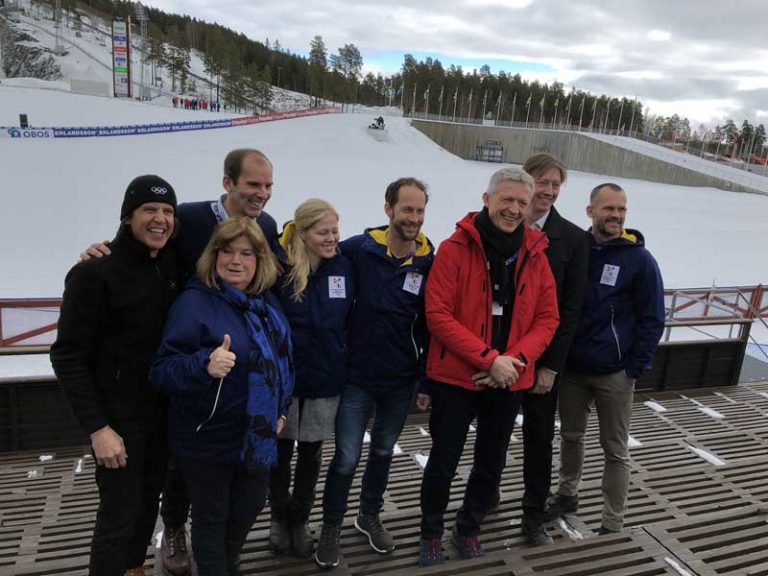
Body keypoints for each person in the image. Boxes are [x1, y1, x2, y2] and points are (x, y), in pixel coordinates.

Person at [81, 148, 279, 575]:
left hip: (182, 396)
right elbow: (70, 354)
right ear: (228, 183)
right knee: (124, 511)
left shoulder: (264, 228)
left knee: (152, 493)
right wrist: (101, 251)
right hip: (145, 389)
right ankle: (173, 531)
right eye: (252, 185)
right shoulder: (187, 221)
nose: (260, 194)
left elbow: (276, 280)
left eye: (267, 187)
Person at [417, 167, 559, 567]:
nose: (513, 209)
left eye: (521, 202)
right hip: (457, 376)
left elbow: (548, 318)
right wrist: (488, 359)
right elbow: (438, 315)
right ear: (487, 199)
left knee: (491, 460)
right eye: (506, 200)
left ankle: (469, 527)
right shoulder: (455, 248)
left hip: (508, 377)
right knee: (444, 459)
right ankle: (430, 531)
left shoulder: (535, 252)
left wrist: (512, 362)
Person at [50, 175, 180, 576]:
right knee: (118, 515)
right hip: (118, 422)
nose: (160, 219)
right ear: (127, 217)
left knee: (146, 506)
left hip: (160, 413)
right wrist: (98, 428)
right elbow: (68, 356)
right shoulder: (94, 273)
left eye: (168, 211)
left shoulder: (170, 264)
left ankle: (134, 569)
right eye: (149, 210)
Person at [150, 217, 294, 576]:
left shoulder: (267, 304)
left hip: (255, 435)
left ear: (260, 260)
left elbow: (283, 364)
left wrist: (281, 409)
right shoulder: (194, 303)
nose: (236, 260)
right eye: (227, 251)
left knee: (248, 508)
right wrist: (204, 364)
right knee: (211, 520)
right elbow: (163, 369)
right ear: (213, 256)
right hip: (207, 437)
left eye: (246, 253)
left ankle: (226, 564)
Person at [314, 178, 434, 569]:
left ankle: (368, 515)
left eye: (419, 211)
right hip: (357, 377)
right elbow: (309, 252)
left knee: (382, 451)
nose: (413, 218)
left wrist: (424, 380)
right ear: (389, 209)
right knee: (346, 457)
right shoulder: (357, 250)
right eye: (407, 210)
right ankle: (331, 526)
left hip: (400, 380)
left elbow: (433, 324)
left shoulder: (429, 261)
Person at [546, 183, 665, 534]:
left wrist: (634, 367)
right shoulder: (578, 249)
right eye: (609, 208)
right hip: (574, 369)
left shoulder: (639, 259)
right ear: (591, 211)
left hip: (615, 372)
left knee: (614, 449)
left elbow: (653, 318)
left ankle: (612, 521)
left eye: (621, 209)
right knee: (570, 435)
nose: (616, 215)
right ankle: (567, 493)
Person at [268, 199, 356, 559]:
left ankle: (300, 519)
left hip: (325, 379)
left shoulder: (344, 267)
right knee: (279, 454)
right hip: (285, 381)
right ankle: (278, 517)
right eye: (323, 232)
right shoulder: (278, 266)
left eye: (335, 230)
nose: (332, 238)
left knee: (311, 456)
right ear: (302, 233)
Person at [514, 154, 589, 546]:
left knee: (539, 440)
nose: (548, 191)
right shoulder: (501, 224)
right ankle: (484, 494)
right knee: (491, 434)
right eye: (542, 182)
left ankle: (532, 514)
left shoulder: (573, 240)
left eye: (555, 185)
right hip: (500, 360)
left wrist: (550, 368)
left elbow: (570, 311)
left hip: (541, 362)